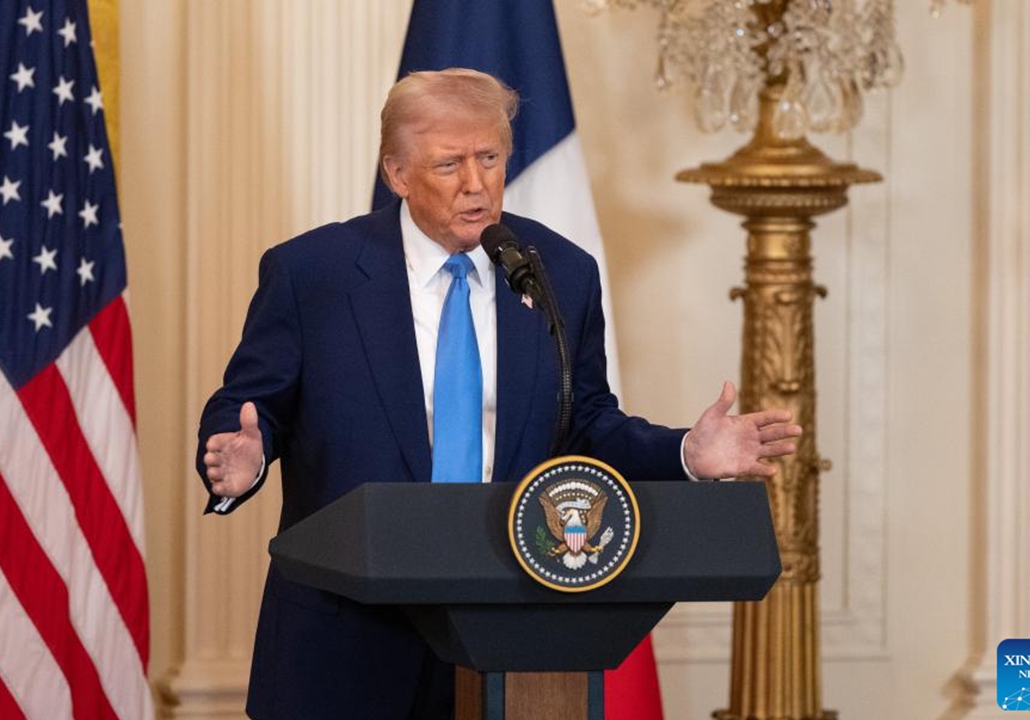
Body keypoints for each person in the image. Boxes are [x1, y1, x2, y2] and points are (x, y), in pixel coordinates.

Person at [196, 68, 801, 720]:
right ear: (397, 174)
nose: (476, 183)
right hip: (346, 637)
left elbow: (585, 423)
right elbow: (253, 403)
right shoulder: (313, 272)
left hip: (511, 625)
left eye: (489, 158)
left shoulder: (558, 272)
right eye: (448, 163)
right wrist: (242, 457)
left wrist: (686, 453)